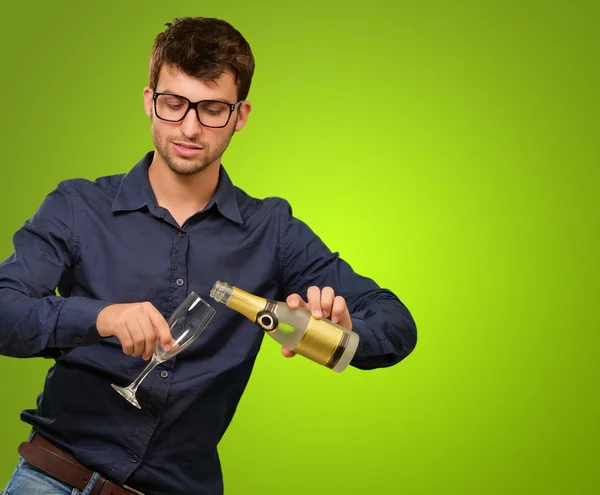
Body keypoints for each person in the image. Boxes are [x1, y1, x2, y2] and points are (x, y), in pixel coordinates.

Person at [0, 16, 417, 495]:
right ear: (148, 102)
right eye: (174, 104)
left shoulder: (273, 232)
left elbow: (395, 322)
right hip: (52, 479)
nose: (190, 128)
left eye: (213, 109)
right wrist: (101, 317)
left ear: (240, 115)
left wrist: (341, 332)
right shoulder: (78, 206)